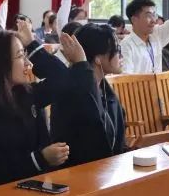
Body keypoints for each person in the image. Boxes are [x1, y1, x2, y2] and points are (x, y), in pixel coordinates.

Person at [0, 19, 75, 187]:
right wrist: (40, 159)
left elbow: (62, 78)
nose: (28, 63)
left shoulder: (27, 94)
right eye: (21, 56)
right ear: (1, 63)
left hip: (40, 187)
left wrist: (32, 44)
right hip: (4, 195)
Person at [49, 23, 127, 167]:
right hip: (79, 171)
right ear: (98, 58)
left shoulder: (103, 87)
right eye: (117, 49)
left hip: (108, 167)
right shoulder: (73, 91)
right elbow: (97, 136)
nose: (121, 55)